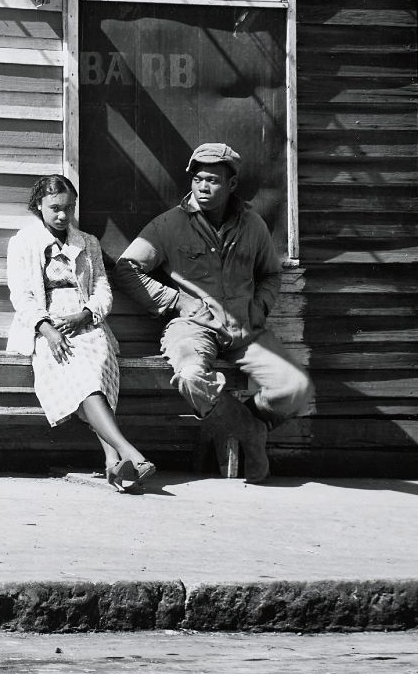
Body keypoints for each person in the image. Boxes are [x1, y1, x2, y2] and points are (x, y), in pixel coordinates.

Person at [114, 142, 314, 483]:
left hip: (244, 330)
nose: (203, 187)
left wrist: (259, 307)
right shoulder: (168, 225)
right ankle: (250, 433)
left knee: (295, 389)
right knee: (191, 378)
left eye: (213, 180)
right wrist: (176, 300)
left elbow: (270, 274)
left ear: (232, 185)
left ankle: (248, 423)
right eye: (198, 179)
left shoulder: (253, 226)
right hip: (192, 329)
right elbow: (128, 267)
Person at [7, 174, 156, 493]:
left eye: (69, 208)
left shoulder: (88, 242)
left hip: (86, 321)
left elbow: (103, 290)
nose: (63, 216)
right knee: (81, 376)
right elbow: (21, 295)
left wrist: (85, 315)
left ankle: (114, 462)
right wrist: (48, 330)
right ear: (39, 206)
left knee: (98, 366)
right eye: (55, 208)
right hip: (46, 327)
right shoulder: (23, 242)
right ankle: (125, 453)